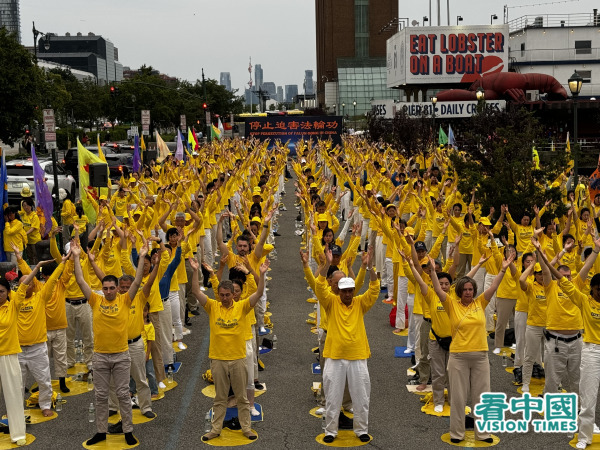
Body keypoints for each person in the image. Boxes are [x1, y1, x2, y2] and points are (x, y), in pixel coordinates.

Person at [430, 252, 513, 444]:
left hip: (480, 357)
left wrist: (502, 269)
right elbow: (436, 288)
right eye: (465, 289)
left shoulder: (480, 303)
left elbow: (493, 286)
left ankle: (483, 434)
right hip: (458, 357)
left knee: (482, 398)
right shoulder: (451, 304)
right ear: (459, 291)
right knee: (458, 399)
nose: (468, 292)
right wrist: (434, 272)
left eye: (471, 289)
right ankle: (457, 434)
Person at [72, 240, 148, 447]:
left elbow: (138, 280)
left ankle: (128, 430)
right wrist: (77, 257)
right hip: (100, 356)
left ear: (117, 289)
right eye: (105, 288)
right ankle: (101, 431)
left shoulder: (125, 300)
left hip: (122, 355)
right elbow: (80, 280)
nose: (108, 291)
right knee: (101, 395)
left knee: (123, 394)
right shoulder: (96, 301)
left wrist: (141, 257)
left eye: (112, 287)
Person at [189, 257, 268, 442]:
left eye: (227, 295)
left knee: (242, 397)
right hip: (217, 359)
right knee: (220, 398)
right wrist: (195, 271)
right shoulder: (212, 306)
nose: (224, 298)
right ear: (219, 294)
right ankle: (215, 429)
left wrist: (261, 275)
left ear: (234, 294)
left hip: (238, 358)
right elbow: (194, 291)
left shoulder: (242, 307)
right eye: (222, 294)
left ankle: (246, 428)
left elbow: (259, 293)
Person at [315, 247, 379, 444]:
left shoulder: (360, 303)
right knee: (333, 398)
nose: (348, 294)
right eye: (344, 291)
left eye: (351, 290)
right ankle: (330, 431)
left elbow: (375, 289)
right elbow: (319, 286)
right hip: (335, 357)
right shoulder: (331, 302)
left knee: (361, 397)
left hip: (358, 356)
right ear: (339, 290)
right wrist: (326, 265)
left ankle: (361, 430)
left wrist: (369, 268)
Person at [16, 257, 66, 417]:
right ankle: (16, 409)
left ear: (34, 285)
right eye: (22, 284)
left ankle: (45, 405)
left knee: (44, 379)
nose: (25, 286)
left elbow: (51, 281)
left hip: (37, 348)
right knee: (17, 383)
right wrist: (18, 258)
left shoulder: (40, 297)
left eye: (29, 283)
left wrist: (63, 263)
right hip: (17, 349)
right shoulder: (13, 300)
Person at [0, 277, 28, 446]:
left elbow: (24, 285)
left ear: (8, 293)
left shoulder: (13, 306)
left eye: (1, 291)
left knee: (14, 396)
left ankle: (17, 434)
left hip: (8, 355)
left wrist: (37, 266)